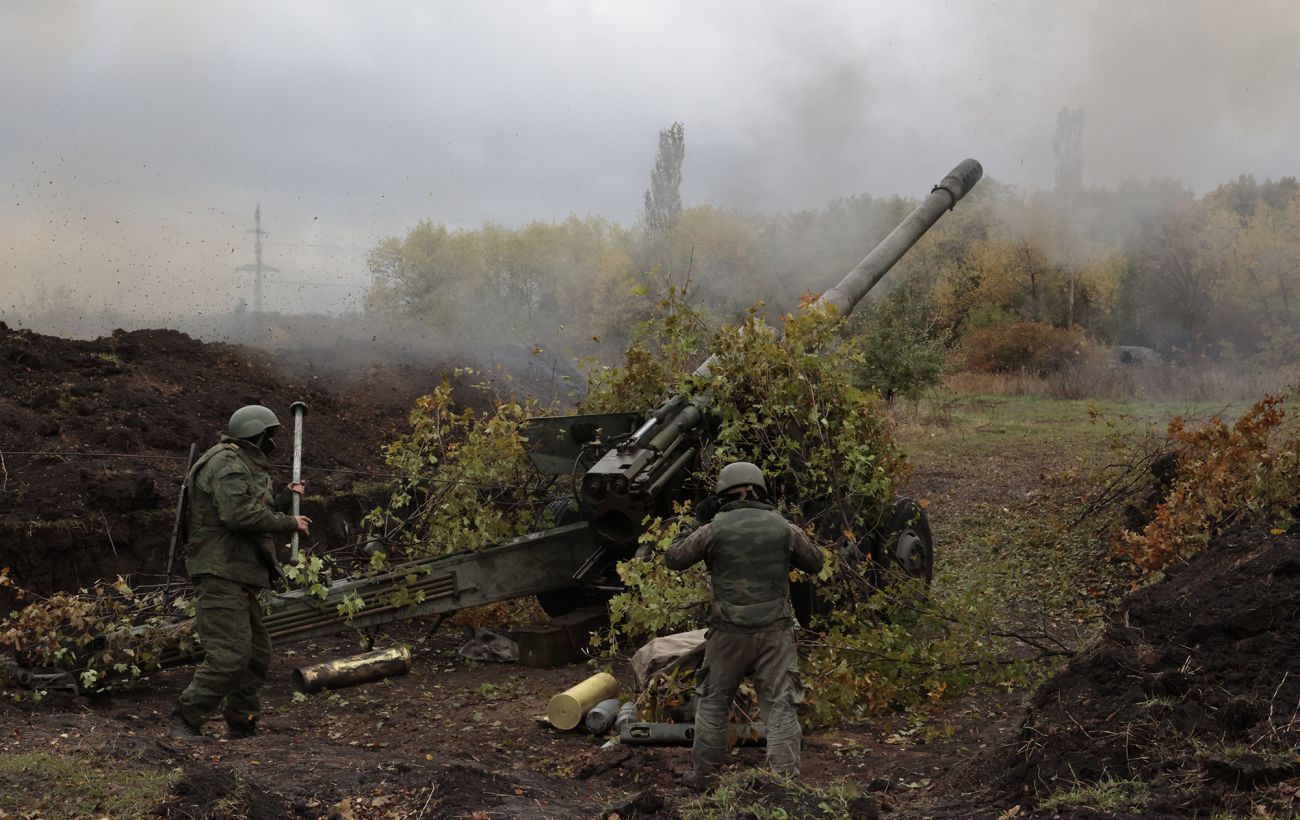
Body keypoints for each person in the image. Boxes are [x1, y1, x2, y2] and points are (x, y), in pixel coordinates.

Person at [665, 461, 823, 788]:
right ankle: (784, 785)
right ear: (760, 489)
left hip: (727, 634)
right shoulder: (783, 527)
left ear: (722, 494)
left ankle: (705, 777)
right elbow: (815, 563)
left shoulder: (713, 528)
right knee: (781, 707)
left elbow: (675, 558)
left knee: (712, 703)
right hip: (774, 633)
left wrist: (694, 522)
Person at [167, 404, 311, 741]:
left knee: (255, 656)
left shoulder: (239, 463)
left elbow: (250, 507)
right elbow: (238, 516)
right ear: (256, 436)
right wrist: (288, 522)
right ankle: (184, 721)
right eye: (269, 436)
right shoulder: (226, 463)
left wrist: (281, 498)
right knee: (229, 656)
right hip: (220, 574)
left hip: (239, 574)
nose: (271, 443)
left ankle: (242, 725)